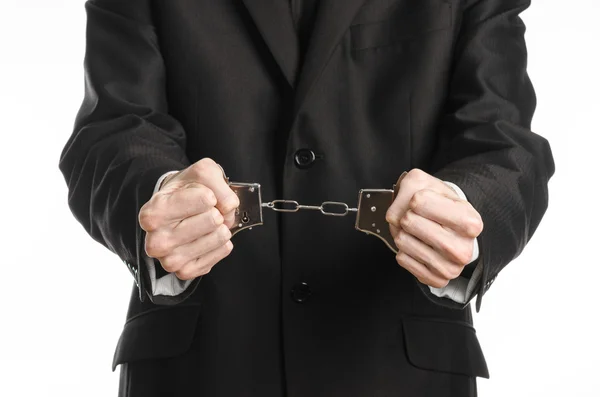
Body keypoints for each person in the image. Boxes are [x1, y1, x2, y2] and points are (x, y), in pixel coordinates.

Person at [58, 0, 555, 396]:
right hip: (202, 367)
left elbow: (505, 142)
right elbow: (110, 131)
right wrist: (160, 193)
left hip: (398, 374)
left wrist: (462, 208)